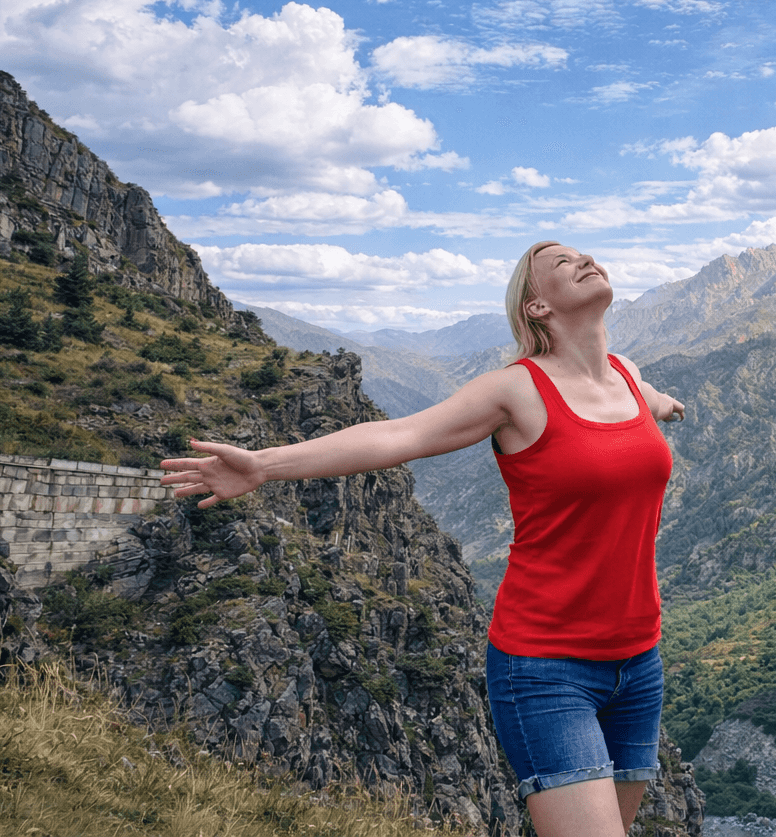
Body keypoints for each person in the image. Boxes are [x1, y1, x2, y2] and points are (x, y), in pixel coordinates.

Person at [160, 241, 685, 837]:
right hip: (546, 667)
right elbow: (398, 436)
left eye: (585, 255)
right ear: (537, 306)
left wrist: (667, 405)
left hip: (638, 663)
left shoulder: (627, 376)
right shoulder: (515, 391)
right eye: (562, 262)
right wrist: (263, 465)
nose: (583, 260)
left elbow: (644, 401)